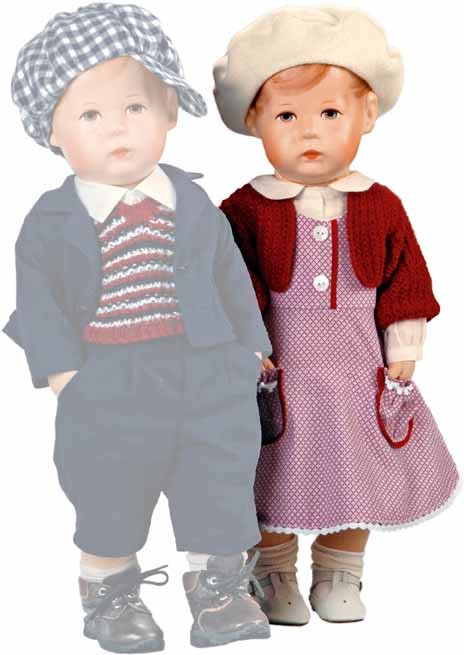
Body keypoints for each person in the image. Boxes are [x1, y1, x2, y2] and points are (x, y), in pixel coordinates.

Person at [3, 3, 272, 651]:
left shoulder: (194, 202)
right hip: (108, 380)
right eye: (89, 116)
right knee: (108, 491)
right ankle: (111, 593)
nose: (117, 128)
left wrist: (251, 350)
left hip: (206, 367)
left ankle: (219, 589)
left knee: (218, 478)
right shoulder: (51, 222)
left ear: (169, 111)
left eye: (135, 107)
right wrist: (67, 378)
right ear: (52, 133)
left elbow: (230, 276)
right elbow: (37, 303)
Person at [213, 5, 460, 625]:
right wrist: (243, 342)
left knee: (359, 473)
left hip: (357, 376)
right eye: (287, 116)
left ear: (366, 114)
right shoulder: (245, 209)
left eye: (329, 113)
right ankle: (273, 572)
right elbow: (225, 279)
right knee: (271, 473)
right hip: (278, 375)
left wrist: (403, 344)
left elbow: (406, 279)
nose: (309, 132)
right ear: (254, 121)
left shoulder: (380, 205)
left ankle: (340, 570)